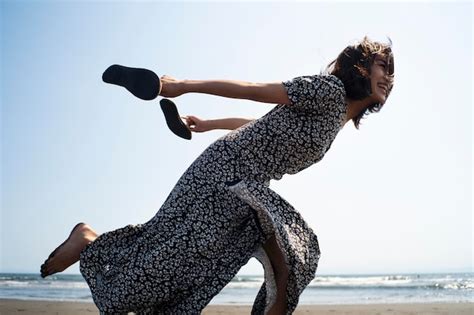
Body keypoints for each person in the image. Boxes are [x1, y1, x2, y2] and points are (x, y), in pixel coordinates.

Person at [40, 37, 394, 314]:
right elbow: (255, 90)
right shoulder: (328, 92)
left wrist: (209, 124)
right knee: (162, 260)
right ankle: (88, 240)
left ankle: (92, 242)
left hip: (247, 189)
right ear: (361, 66)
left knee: (288, 264)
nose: (388, 78)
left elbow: (263, 126)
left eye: (391, 72)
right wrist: (180, 86)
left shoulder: (337, 121)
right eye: (382, 67)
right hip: (224, 173)